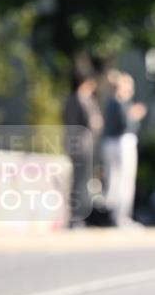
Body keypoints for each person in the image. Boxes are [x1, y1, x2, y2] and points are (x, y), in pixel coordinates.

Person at [102, 70, 147, 227]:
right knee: (124, 181)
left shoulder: (111, 102)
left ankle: (116, 215)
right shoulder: (120, 103)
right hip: (122, 142)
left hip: (111, 143)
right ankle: (121, 217)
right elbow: (126, 125)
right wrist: (134, 115)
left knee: (115, 180)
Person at [62, 70, 103, 228]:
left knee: (81, 180)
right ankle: (76, 216)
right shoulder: (78, 100)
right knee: (80, 180)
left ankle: (78, 216)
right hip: (80, 144)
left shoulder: (76, 99)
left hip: (80, 144)